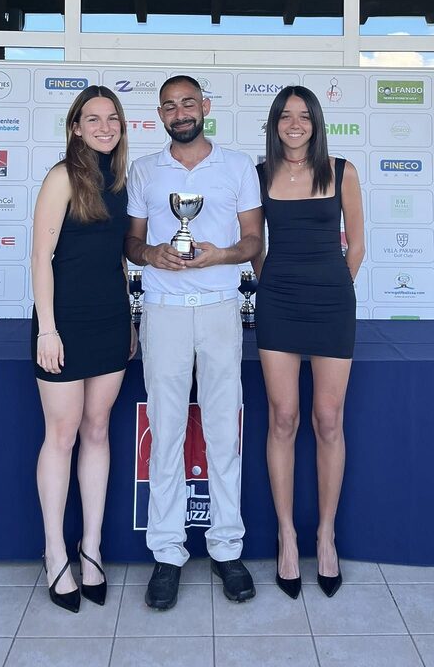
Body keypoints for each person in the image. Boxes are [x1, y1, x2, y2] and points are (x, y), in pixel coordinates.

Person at [125, 74, 263, 611]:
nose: (179, 113)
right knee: (166, 434)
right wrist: (151, 254)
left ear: (205, 106)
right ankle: (167, 553)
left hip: (220, 310)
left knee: (224, 430)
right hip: (163, 312)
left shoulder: (238, 166)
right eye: (169, 106)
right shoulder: (144, 169)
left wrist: (220, 255)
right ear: (160, 114)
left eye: (188, 103)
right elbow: (132, 242)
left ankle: (227, 548)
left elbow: (253, 240)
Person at [253, 85, 365, 599]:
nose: (294, 124)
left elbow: (356, 245)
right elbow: (254, 244)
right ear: (275, 123)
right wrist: (273, 283)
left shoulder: (342, 171)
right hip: (278, 303)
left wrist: (334, 287)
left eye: (304, 116)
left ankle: (325, 536)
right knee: (283, 418)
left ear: (317, 123)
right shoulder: (259, 175)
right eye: (285, 116)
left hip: (331, 305)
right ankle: (286, 536)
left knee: (328, 420)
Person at [31, 85, 134, 613]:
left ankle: (90, 548)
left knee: (97, 430)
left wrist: (129, 319)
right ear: (75, 127)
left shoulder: (120, 181)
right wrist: (48, 330)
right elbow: (40, 258)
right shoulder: (61, 177)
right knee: (63, 434)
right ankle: (55, 552)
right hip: (65, 324)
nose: (104, 127)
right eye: (92, 119)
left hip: (110, 320)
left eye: (111, 118)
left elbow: (117, 259)